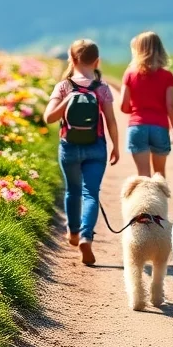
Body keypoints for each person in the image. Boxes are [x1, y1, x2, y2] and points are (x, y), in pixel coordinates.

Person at [44, 39, 120, 265]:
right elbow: (112, 121)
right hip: (96, 146)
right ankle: (87, 236)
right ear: (97, 61)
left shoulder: (63, 86)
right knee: (91, 193)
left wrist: (67, 100)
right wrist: (115, 145)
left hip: (69, 145)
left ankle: (73, 232)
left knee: (73, 191)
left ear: (72, 58)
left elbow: (49, 118)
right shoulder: (102, 88)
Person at [121, 32, 173, 177]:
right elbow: (170, 105)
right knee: (159, 174)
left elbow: (124, 106)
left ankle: (143, 199)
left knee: (143, 175)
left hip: (137, 126)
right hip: (160, 126)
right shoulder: (167, 76)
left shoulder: (130, 74)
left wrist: (138, 107)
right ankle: (160, 200)